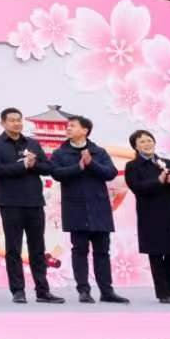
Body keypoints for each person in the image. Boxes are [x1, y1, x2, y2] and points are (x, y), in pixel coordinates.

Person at [0, 108, 63, 305]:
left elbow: (48, 168)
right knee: (13, 248)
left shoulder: (32, 143)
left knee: (38, 248)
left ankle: (42, 291)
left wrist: (33, 164)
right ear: (3, 123)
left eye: (19, 120)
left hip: (34, 202)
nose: (16, 123)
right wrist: (23, 166)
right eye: (12, 120)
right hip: (10, 203)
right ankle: (18, 290)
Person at [54, 114, 125, 304]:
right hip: (75, 209)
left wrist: (91, 163)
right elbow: (56, 173)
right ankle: (83, 291)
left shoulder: (98, 152)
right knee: (79, 251)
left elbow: (110, 173)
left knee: (102, 252)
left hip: (99, 209)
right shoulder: (61, 153)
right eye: (68, 126)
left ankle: (107, 291)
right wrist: (78, 167)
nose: (68, 128)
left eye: (72, 125)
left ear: (85, 130)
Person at [125, 130, 170, 305]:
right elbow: (137, 188)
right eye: (142, 142)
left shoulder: (167, 163)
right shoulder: (132, 166)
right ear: (135, 146)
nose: (147, 144)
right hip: (150, 215)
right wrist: (158, 181)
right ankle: (163, 293)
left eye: (149, 140)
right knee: (156, 255)